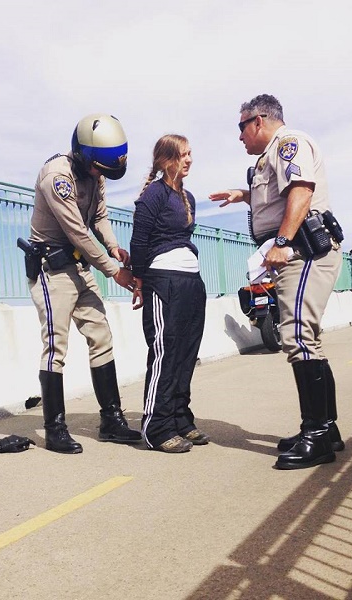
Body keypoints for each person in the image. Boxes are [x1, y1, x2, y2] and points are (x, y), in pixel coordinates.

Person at [209, 94, 344, 470]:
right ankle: (326, 429)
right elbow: (276, 195)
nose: (239, 137)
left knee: (296, 336)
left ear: (259, 120)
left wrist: (282, 243)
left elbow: (301, 190)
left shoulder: (287, 143)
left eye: (241, 127)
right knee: (308, 340)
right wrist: (245, 196)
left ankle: (316, 436)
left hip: (302, 252)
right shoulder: (270, 156)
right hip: (301, 252)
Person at [27, 113, 142, 454]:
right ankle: (54, 429)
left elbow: (99, 217)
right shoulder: (56, 178)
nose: (100, 177)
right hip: (53, 268)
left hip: (81, 266)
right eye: (98, 169)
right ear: (82, 155)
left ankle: (112, 421)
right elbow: (77, 231)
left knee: (101, 337)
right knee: (56, 348)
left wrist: (113, 246)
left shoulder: (96, 170)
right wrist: (114, 270)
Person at [129, 134, 208, 453]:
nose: (188, 160)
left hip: (191, 281)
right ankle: (156, 426)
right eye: (182, 155)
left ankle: (179, 418)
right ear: (165, 160)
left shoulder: (187, 195)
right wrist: (140, 281)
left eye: (190, 154)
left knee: (187, 353)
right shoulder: (153, 195)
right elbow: (139, 242)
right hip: (164, 280)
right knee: (166, 351)